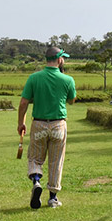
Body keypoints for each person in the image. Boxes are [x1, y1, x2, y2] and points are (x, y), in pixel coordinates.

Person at [17, 47, 77, 209]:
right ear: (59, 60)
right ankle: (53, 197)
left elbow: (23, 102)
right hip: (58, 124)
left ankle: (36, 181)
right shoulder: (67, 80)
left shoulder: (34, 78)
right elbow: (72, 100)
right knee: (56, 160)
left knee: (35, 158)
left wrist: (21, 123)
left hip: (39, 123)